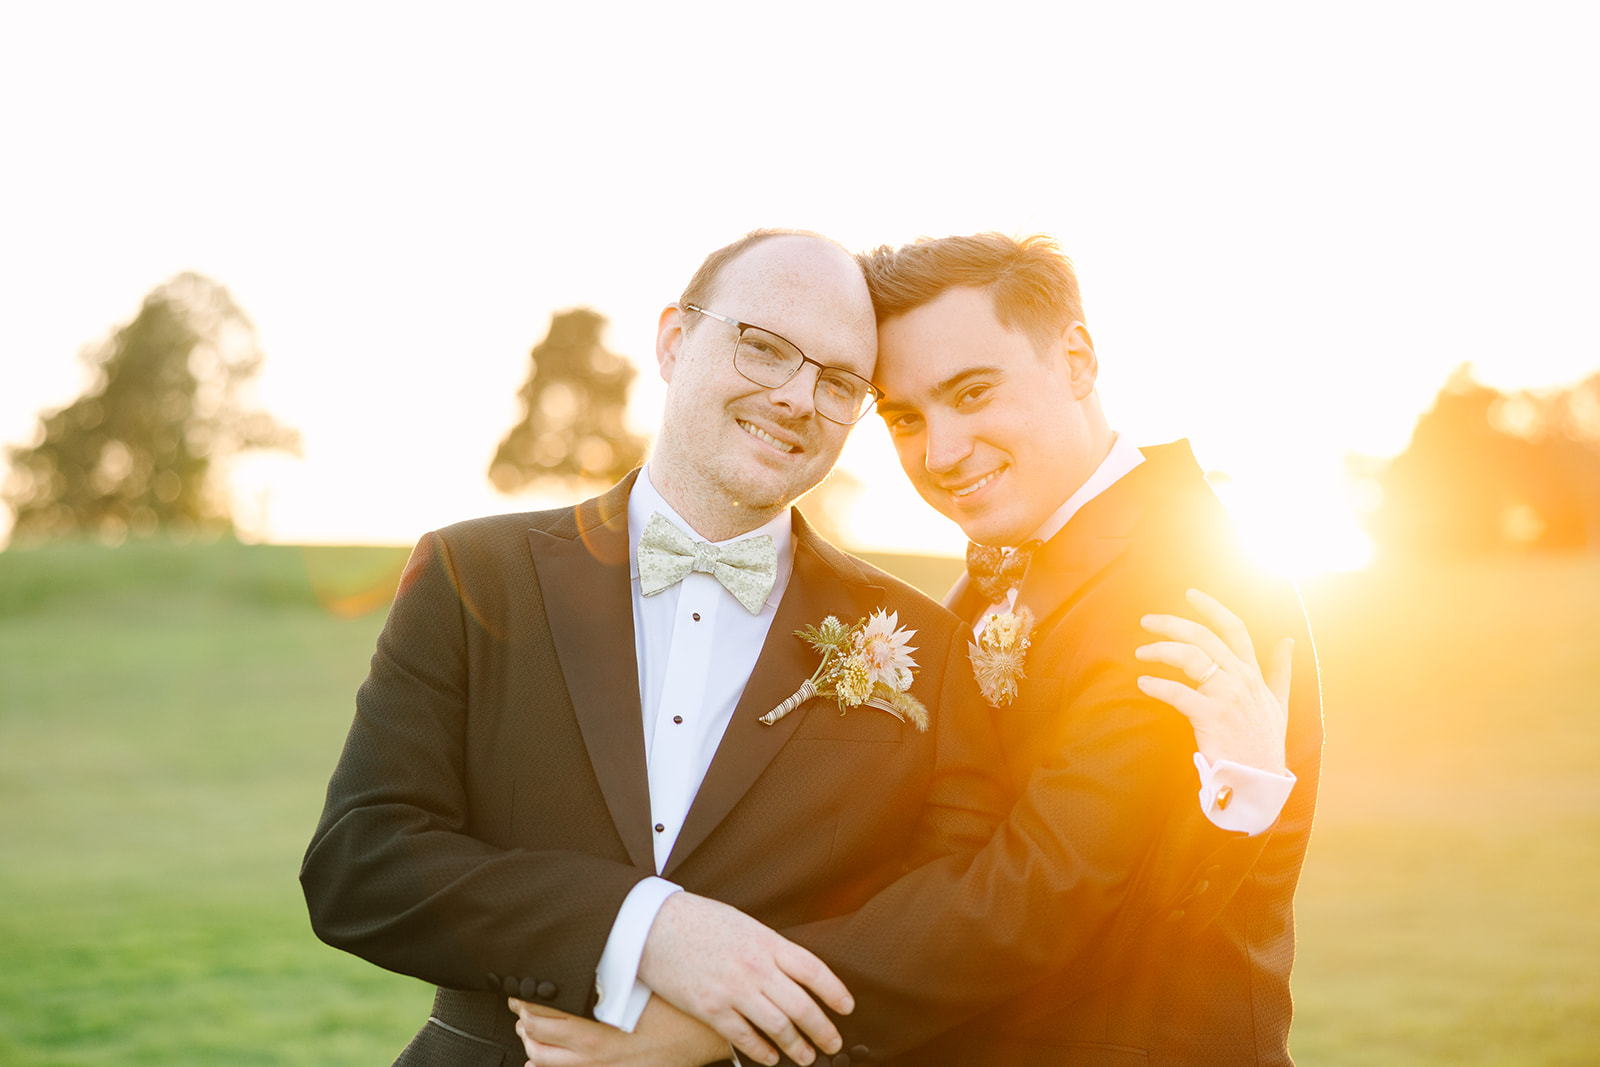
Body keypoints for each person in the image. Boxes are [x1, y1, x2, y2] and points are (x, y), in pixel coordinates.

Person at [302, 230, 1291, 1067]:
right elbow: (360, 861)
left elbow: (1007, 897)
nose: (794, 396)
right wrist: (651, 927)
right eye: (763, 348)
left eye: (838, 382)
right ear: (673, 339)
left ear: (1075, 361)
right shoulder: (474, 570)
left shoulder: (952, 630)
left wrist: (723, 1018)